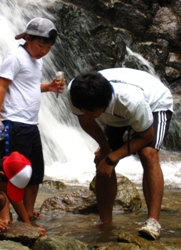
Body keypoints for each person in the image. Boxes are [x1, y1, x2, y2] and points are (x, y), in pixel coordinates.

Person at [67, 67, 173, 240]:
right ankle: (105, 222)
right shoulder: (76, 92)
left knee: (148, 154)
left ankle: (153, 222)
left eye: (91, 111)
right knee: (101, 158)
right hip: (119, 115)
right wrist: (105, 148)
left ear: (104, 105)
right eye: (82, 109)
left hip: (155, 104)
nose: (85, 113)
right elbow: (85, 121)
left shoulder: (131, 101)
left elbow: (146, 136)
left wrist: (113, 157)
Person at [0, 17, 65, 226]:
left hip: (31, 124)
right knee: (10, 172)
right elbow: (2, 86)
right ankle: (5, 214)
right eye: (41, 44)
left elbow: (29, 85)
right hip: (13, 123)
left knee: (35, 172)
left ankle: (28, 212)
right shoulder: (15, 57)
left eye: (48, 47)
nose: (44, 50)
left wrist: (47, 87)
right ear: (27, 38)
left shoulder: (37, 60)